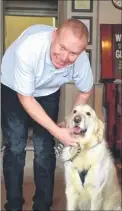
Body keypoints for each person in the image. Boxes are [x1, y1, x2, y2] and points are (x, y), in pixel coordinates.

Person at [1, 19, 93, 211]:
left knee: (45, 148)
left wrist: (68, 123)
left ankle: (43, 206)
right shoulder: (29, 49)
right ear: (54, 36)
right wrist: (57, 132)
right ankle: (14, 205)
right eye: (62, 47)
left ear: (81, 52)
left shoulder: (81, 62)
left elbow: (85, 91)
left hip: (48, 90)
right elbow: (26, 99)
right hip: (13, 86)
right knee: (16, 146)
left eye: (73, 53)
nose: (65, 57)